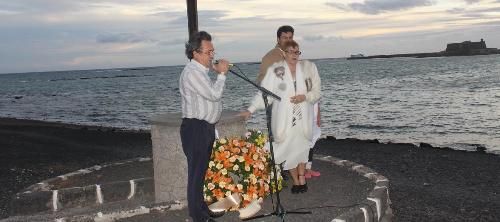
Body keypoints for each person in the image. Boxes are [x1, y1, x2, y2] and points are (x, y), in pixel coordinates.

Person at [240, 40, 321, 194]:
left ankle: (302, 178)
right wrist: (250, 110)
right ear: (283, 53)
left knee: (302, 147)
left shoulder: (309, 68)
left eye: (297, 52)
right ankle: (296, 181)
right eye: (291, 52)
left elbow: (317, 92)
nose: (294, 55)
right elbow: (265, 94)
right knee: (288, 149)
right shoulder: (276, 71)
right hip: (285, 120)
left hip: (303, 118)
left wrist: (305, 97)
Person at [179, 31, 230, 222]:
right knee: (196, 175)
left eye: (212, 51)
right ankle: (198, 216)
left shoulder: (201, 72)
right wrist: (222, 75)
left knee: (201, 173)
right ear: (195, 53)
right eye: (209, 52)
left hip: (204, 128)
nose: (212, 55)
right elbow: (214, 95)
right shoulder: (192, 73)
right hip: (195, 129)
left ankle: (202, 209)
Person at [305, 101, 321, 178]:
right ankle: (303, 170)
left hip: (314, 121)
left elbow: (317, 104)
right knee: (304, 146)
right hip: (304, 121)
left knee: (311, 144)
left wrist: (318, 118)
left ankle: (308, 169)